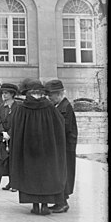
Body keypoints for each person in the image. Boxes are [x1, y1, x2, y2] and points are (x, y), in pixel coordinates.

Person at [9, 79, 67, 216]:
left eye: (38, 93)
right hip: (39, 151)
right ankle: (39, 205)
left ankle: (40, 205)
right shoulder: (44, 108)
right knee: (39, 177)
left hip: (35, 151)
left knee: (37, 176)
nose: (36, 96)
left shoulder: (26, 108)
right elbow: (59, 126)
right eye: (34, 93)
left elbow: (59, 128)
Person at [45, 79, 78, 213]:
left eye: (51, 95)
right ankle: (60, 200)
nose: (49, 97)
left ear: (59, 94)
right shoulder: (60, 106)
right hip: (61, 147)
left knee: (63, 175)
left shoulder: (64, 108)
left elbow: (63, 129)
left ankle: (63, 202)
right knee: (59, 174)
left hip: (64, 148)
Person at [0, 83, 19, 191]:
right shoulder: (1, 106)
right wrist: (2, 132)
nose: (4, 95)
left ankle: (15, 182)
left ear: (12, 94)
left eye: (6, 93)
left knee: (15, 159)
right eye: (3, 93)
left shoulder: (18, 107)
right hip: (4, 137)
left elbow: (18, 122)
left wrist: (10, 133)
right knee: (5, 158)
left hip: (15, 136)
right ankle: (9, 181)